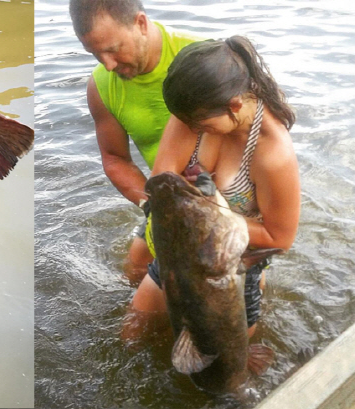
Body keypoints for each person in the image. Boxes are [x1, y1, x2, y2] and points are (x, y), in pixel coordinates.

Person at [125, 35, 300, 340]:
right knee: (131, 334)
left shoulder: (273, 154)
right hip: (182, 252)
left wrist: (211, 210)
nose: (192, 131)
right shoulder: (194, 111)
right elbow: (162, 181)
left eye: (201, 127)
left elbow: (279, 238)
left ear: (234, 106)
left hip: (231, 270)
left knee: (223, 370)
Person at [69, 0, 201, 282]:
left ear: (140, 23)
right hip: (168, 200)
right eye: (94, 53)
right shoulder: (101, 85)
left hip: (228, 195)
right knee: (135, 271)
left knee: (236, 292)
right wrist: (154, 206)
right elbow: (116, 158)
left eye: (113, 49)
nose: (108, 64)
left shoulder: (200, 58)